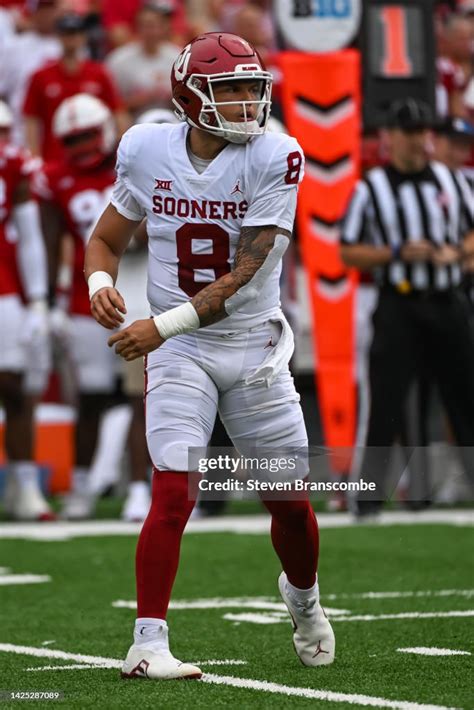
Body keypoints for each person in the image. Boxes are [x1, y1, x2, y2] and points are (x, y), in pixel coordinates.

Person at [85, 32, 335, 680]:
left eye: (254, 87)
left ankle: (304, 599)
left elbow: (245, 276)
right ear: (189, 96)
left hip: (253, 347)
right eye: (231, 89)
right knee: (172, 485)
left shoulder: (276, 154)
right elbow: (106, 237)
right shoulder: (145, 148)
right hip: (182, 350)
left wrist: (156, 325)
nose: (248, 101)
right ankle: (147, 642)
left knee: (292, 507)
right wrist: (99, 283)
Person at [340, 97, 474, 517]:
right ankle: (368, 500)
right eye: (409, 133)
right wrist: (396, 252)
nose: (417, 141)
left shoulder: (452, 182)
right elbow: (348, 252)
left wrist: (457, 253)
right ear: (390, 137)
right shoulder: (370, 188)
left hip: (448, 302)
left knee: (466, 398)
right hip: (399, 303)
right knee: (386, 401)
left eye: (422, 132)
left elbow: (472, 233)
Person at [34, 93, 120, 520]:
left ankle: (147, 486)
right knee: (91, 396)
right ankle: (83, 485)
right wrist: (48, 301)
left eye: (87, 135)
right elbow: (51, 245)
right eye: (72, 140)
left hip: (145, 290)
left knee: (150, 399)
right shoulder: (55, 178)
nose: (81, 146)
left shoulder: (132, 162)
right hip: (87, 298)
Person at [0, 99, 53, 521]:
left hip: (5, 289)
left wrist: (37, 299)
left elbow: (31, 234)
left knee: (15, 387)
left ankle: (23, 485)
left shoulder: (13, 165)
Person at [23, 12, 129, 162]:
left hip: (94, 157)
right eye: (66, 34)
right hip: (55, 157)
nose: (71, 39)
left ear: (83, 37)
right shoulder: (41, 76)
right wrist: (34, 155)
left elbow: (117, 111)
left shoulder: (99, 73)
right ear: (58, 37)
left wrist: (118, 150)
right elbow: (31, 119)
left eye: (75, 33)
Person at [105, 3, 180, 120]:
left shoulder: (178, 56)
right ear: (137, 27)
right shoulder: (118, 60)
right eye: (146, 26)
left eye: (155, 26)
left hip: (172, 121)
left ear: (164, 27)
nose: (151, 32)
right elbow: (111, 104)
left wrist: (172, 97)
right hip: (134, 123)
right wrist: (143, 99)